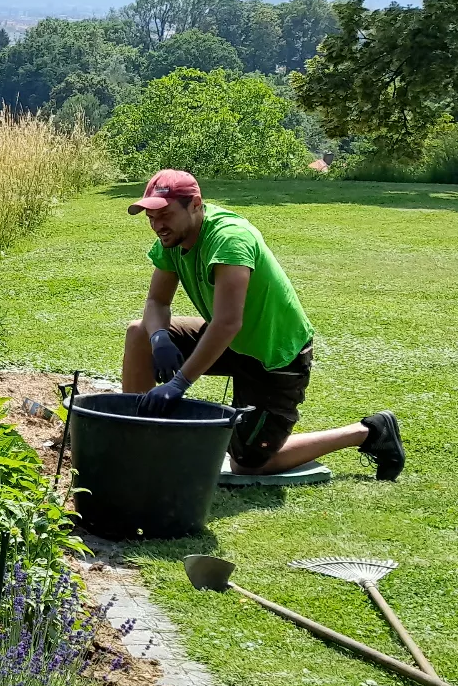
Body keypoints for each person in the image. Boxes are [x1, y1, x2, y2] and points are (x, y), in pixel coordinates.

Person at [122, 169, 404, 480]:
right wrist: (160, 338)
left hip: (274, 353)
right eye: (151, 216)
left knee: (249, 464)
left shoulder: (229, 239)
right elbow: (157, 303)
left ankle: (368, 431)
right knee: (140, 333)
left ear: (195, 205)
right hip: (233, 341)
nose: (157, 225)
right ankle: (138, 441)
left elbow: (228, 322)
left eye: (165, 214)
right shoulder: (171, 239)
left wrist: (179, 384)